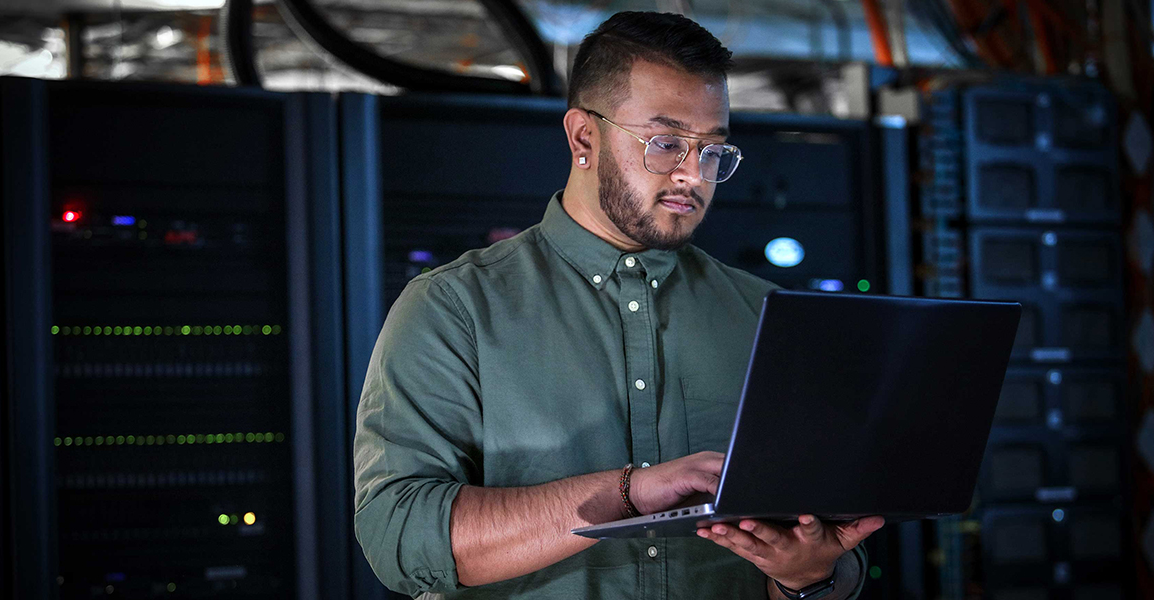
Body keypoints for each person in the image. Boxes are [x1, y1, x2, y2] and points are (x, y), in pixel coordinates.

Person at [353, 11, 884, 600]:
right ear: (584, 136)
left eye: (712, 151)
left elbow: (835, 569)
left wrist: (806, 576)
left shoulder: (767, 315)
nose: (693, 175)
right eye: (666, 144)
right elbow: (398, 538)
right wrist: (628, 493)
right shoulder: (454, 308)